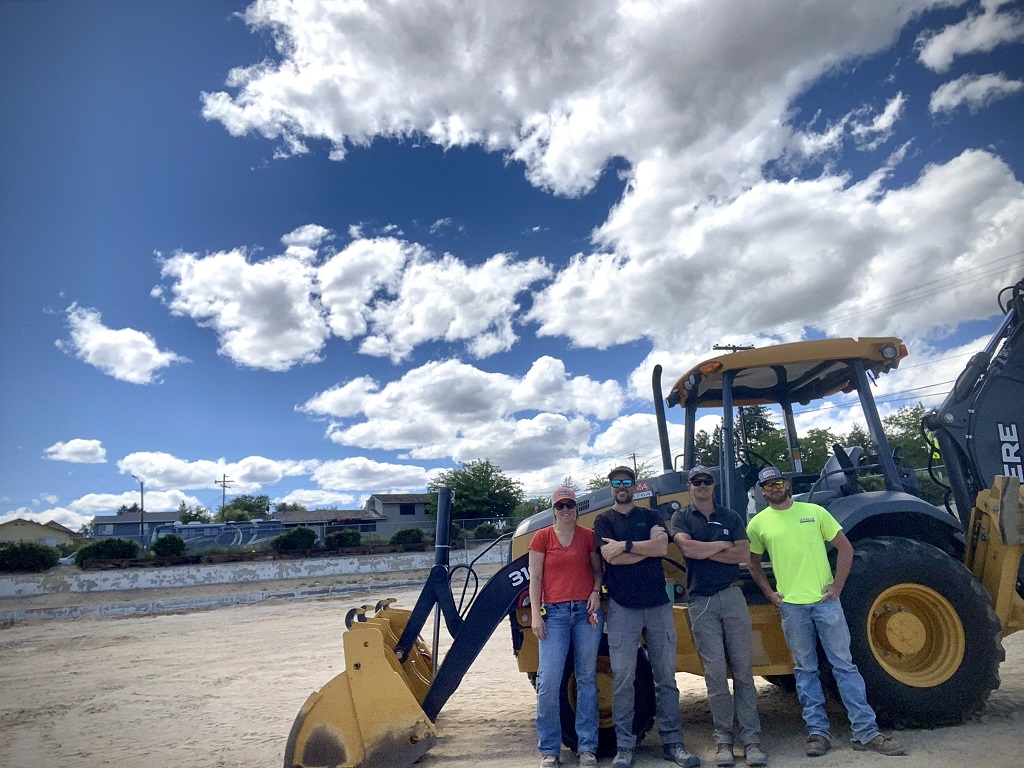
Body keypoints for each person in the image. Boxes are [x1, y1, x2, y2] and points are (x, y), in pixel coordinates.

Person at [746, 467, 907, 758]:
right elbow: (754, 563)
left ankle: (865, 732)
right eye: (767, 486)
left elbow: (844, 548)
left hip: (825, 603)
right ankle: (817, 733)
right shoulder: (758, 525)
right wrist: (769, 593)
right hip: (792, 607)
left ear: (787, 484)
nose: (773, 489)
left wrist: (838, 585)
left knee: (844, 666)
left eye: (778, 483)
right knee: (805, 670)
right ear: (761, 491)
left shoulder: (815, 512)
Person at [595, 465, 700, 768]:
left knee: (666, 677)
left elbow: (660, 547)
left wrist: (626, 546)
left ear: (634, 485)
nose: (622, 486)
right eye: (617, 482)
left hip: (657, 606)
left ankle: (673, 743)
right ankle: (625, 747)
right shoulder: (603, 520)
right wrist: (644, 550)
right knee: (623, 679)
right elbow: (607, 556)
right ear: (611, 487)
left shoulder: (651, 516)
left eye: (627, 481)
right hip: (621, 607)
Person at [670, 467, 766, 768]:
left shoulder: (732, 516)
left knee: (742, 671)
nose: (702, 486)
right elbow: (686, 547)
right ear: (690, 487)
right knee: (714, 675)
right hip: (701, 601)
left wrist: (705, 551)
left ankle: (751, 741)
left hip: (732, 595)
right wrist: (723, 545)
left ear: (713, 485)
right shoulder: (681, 517)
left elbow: (742, 555)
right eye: (696, 482)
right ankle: (723, 739)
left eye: (706, 481)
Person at [529, 486, 604, 768]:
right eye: (560, 506)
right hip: (554, 616)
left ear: (577, 508)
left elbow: (598, 570)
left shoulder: (588, 537)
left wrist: (596, 591)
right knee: (548, 682)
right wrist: (536, 615)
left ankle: (587, 748)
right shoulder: (541, 538)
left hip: (586, 614)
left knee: (586, 679)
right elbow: (535, 580)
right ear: (554, 510)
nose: (565, 510)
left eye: (570, 505)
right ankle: (549, 749)